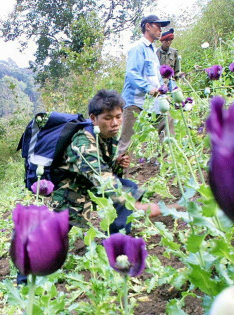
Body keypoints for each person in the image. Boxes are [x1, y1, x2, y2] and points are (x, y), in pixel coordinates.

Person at [51, 89, 165, 234]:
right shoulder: (82, 143)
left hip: (90, 186)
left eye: (118, 116)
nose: (115, 123)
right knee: (53, 235)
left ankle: (117, 239)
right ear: (93, 118)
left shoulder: (107, 136)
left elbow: (104, 169)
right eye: (108, 118)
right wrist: (138, 205)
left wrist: (115, 163)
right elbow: (103, 179)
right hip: (71, 193)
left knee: (130, 188)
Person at [119, 14, 171, 157]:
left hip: (152, 103)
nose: (160, 30)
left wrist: (165, 92)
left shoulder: (153, 52)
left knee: (168, 124)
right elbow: (131, 74)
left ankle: (168, 166)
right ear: (148, 26)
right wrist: (149, 88)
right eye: (158, 26)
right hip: (135, 102)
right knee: (127, 141)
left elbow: (157, 78)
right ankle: (117, 177)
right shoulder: (138, 48)